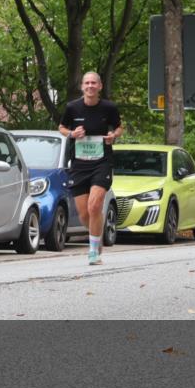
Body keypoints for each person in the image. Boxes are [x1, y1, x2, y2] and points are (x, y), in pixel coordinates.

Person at [58, 71, 123, 266]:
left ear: (100, 86)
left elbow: (119, 127)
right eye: (87, 83)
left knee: (95, 205)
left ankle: (93, 250)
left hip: (102, 162)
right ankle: (97, 236)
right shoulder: (72, 107)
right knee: (84, 213)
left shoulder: (109, 108)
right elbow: (61, 128)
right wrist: (71, 133)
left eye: (94, 83)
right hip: (79, 164)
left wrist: (113, 135)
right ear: (82, 87)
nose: (90, 86)